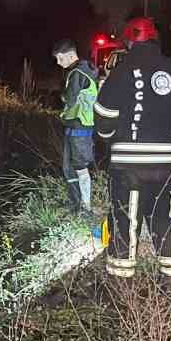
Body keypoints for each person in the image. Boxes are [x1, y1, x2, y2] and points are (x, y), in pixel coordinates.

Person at [93, 16, 171, 279]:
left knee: (125, 220)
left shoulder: (122, 71)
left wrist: (109, 137)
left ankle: (122, 285)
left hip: (127, 163)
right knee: (168, 217)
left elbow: (104, 116)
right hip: (166, 163)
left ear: (129, 42)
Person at [52, 38, 99, 215]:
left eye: (60, 58)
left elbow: (69, 99)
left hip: (79, 127)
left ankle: (86, 208)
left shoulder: (77, 73)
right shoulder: (84, 70)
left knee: (79, 167)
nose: (58, 62)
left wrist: (61, 97)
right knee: (69, 168)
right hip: (79, 127)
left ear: (71, 55)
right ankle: (76, 205)